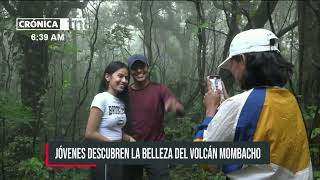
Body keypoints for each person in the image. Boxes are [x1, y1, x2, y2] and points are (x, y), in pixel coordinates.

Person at [194, 29, 313, 179]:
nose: (232, 72)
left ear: (242, 60)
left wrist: (211, 111)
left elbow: (205, 160)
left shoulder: (238, 105)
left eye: (232, 65)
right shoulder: (289, 99)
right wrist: (227, 106)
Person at [124, 54, 184, 180]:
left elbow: (179, 108)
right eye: (135, 68)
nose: (139, 70)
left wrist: (176, 107)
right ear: (130, 72)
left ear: (148, 68)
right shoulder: (125, 93)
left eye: (142, 66)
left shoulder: (160, 89)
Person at [85, 61, 135, 180]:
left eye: (126, 78)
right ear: (108, 77)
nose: (124, 80)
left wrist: (128, 138)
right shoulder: (101, 98)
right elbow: (90, 133)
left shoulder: (121, 102)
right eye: (120, 76)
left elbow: (114, 129)